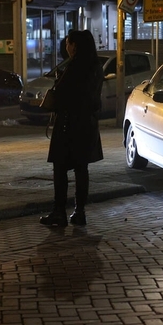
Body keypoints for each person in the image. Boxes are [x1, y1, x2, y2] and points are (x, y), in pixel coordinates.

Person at [39, 29, 104, 228]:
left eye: (68, 43)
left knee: (60, 168)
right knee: (81, 169)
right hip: (87, 125)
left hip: (69, 124)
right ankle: (79, 211)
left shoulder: (75, 67)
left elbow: (63, 94)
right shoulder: (95, 67)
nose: (66, 47)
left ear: (75, 46)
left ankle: (59, 212)